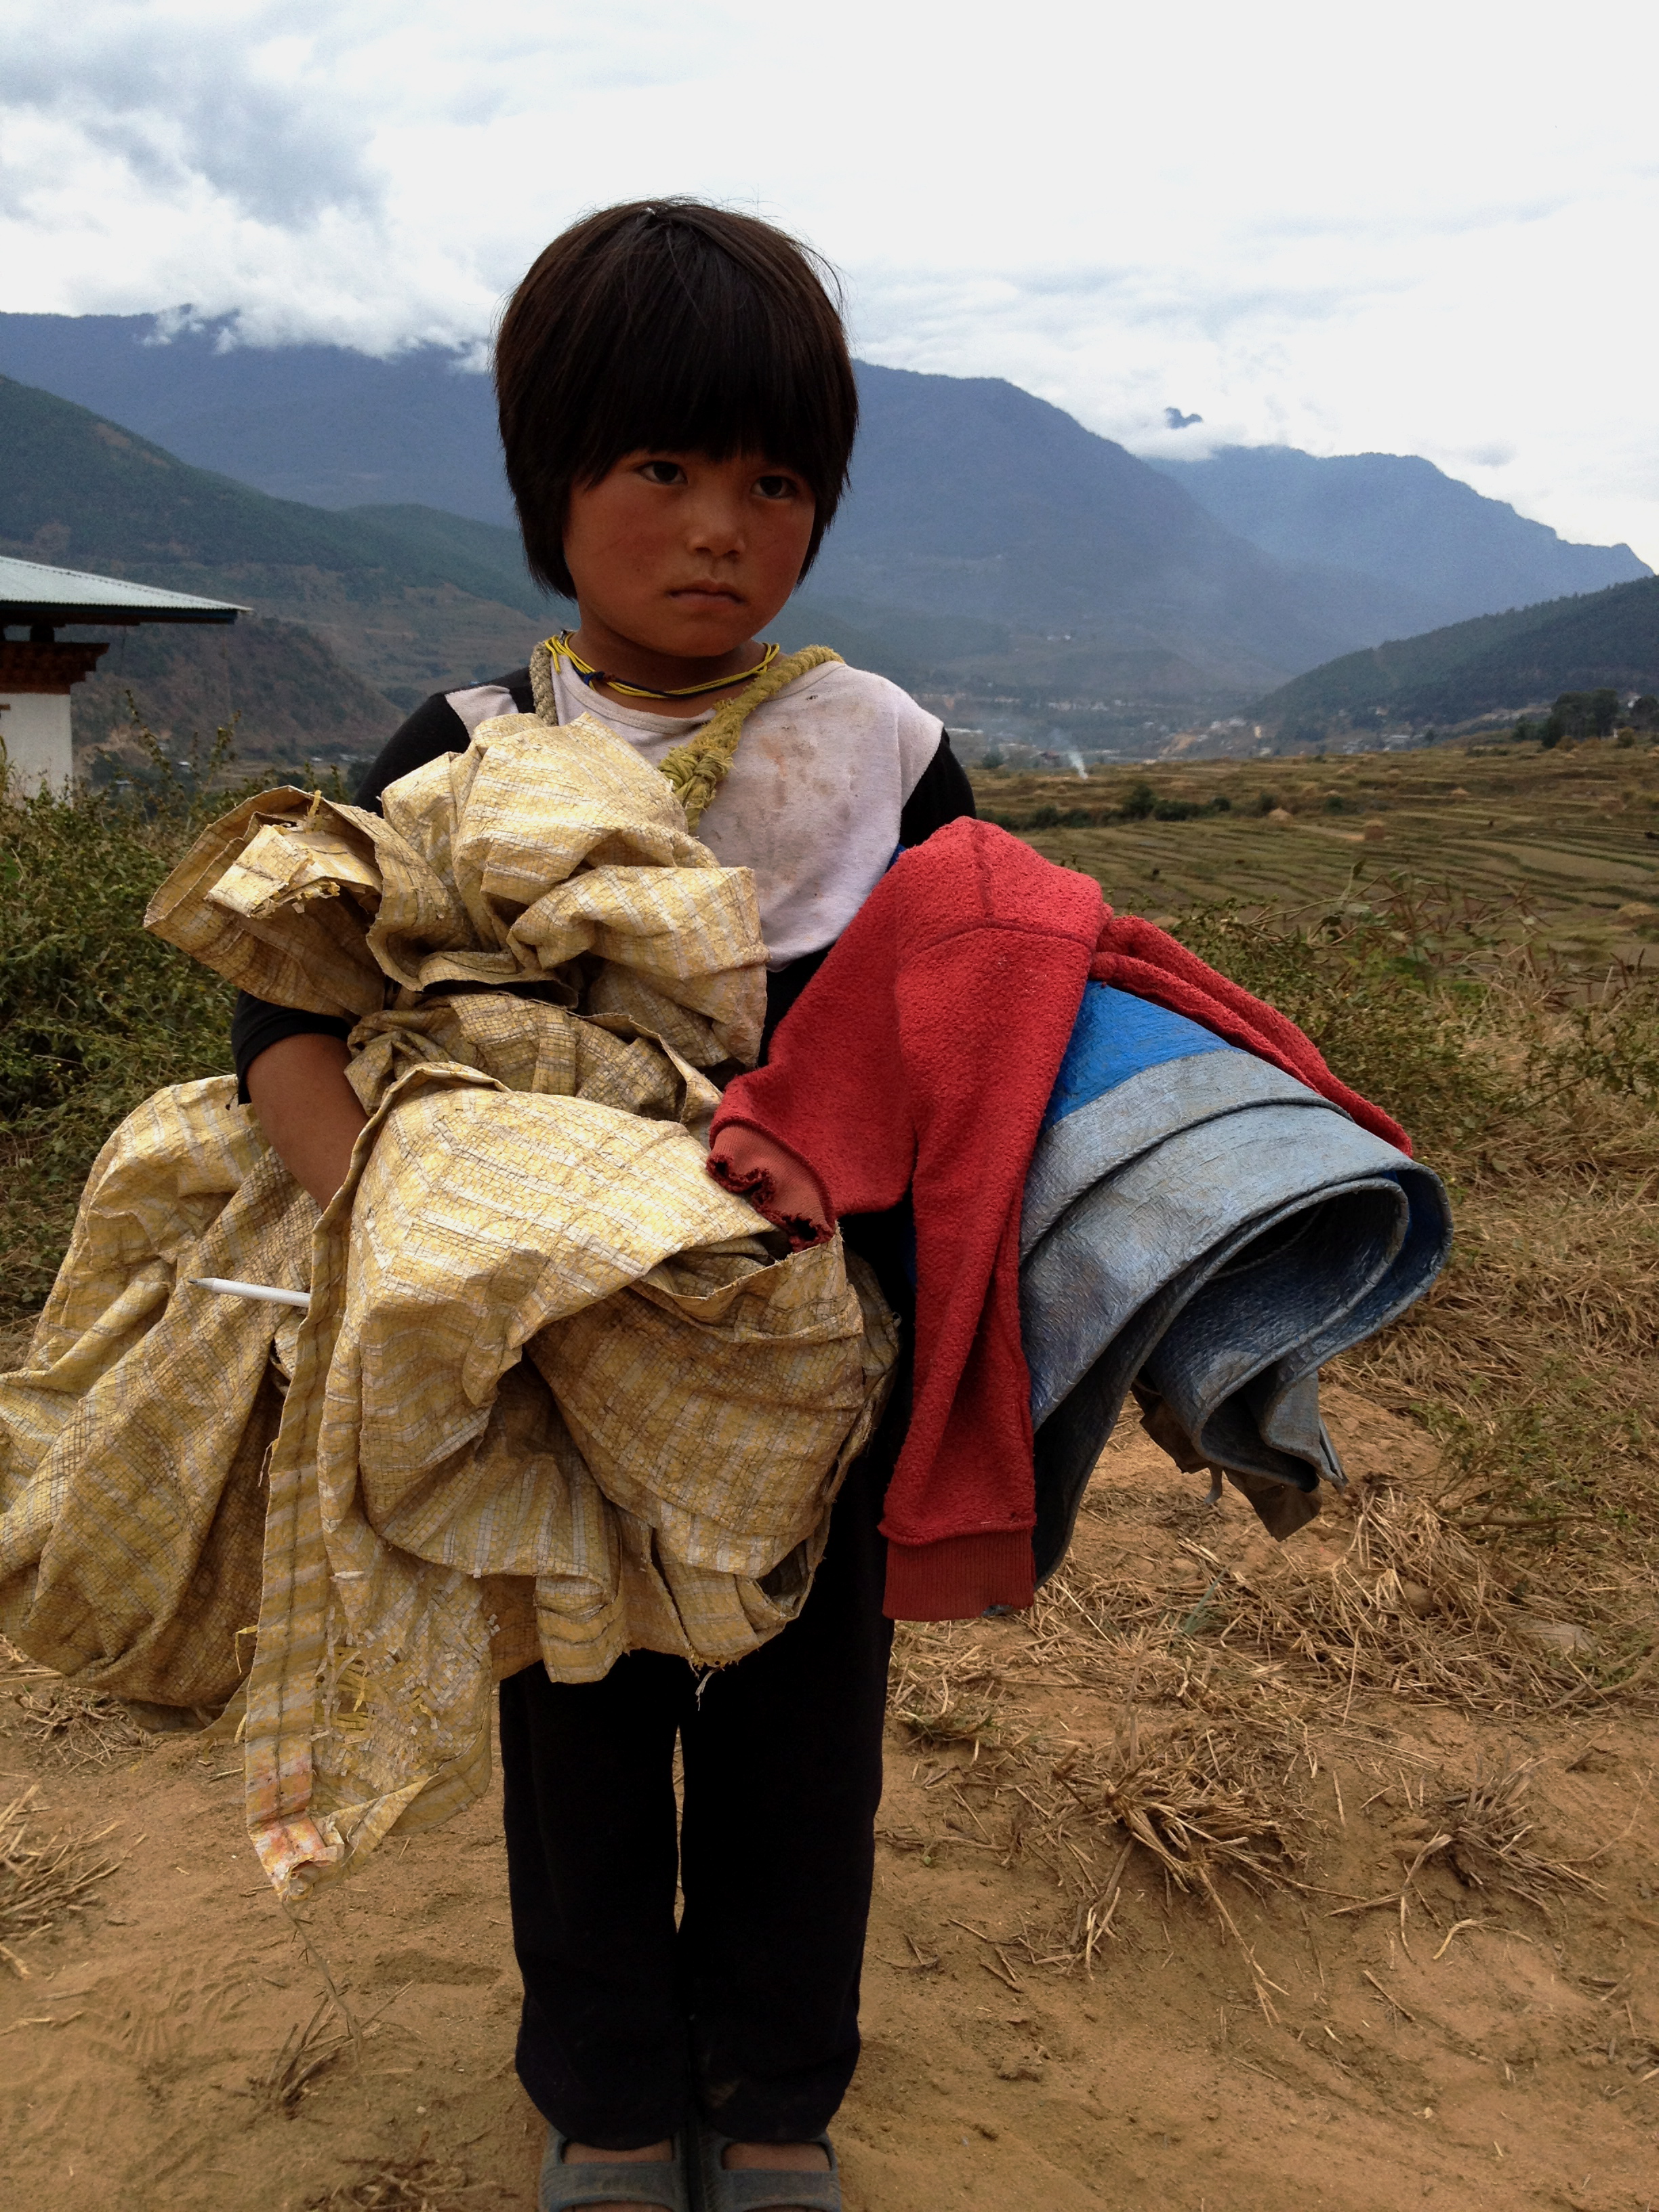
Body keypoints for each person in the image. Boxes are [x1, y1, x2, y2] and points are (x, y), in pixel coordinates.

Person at [231, 200, 975, 2212]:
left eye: (773, 482)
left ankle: (778, 2099)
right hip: (545, 1372)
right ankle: (615, 2104)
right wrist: (408, 1223)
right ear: (550, 486)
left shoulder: (884, 760)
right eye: (660, 466)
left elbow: (972, 1031)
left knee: (801, 1727)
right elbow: (285, 1022)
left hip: (815, 1355)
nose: (719, 527)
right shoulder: (469, 759)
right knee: (575, 1721)